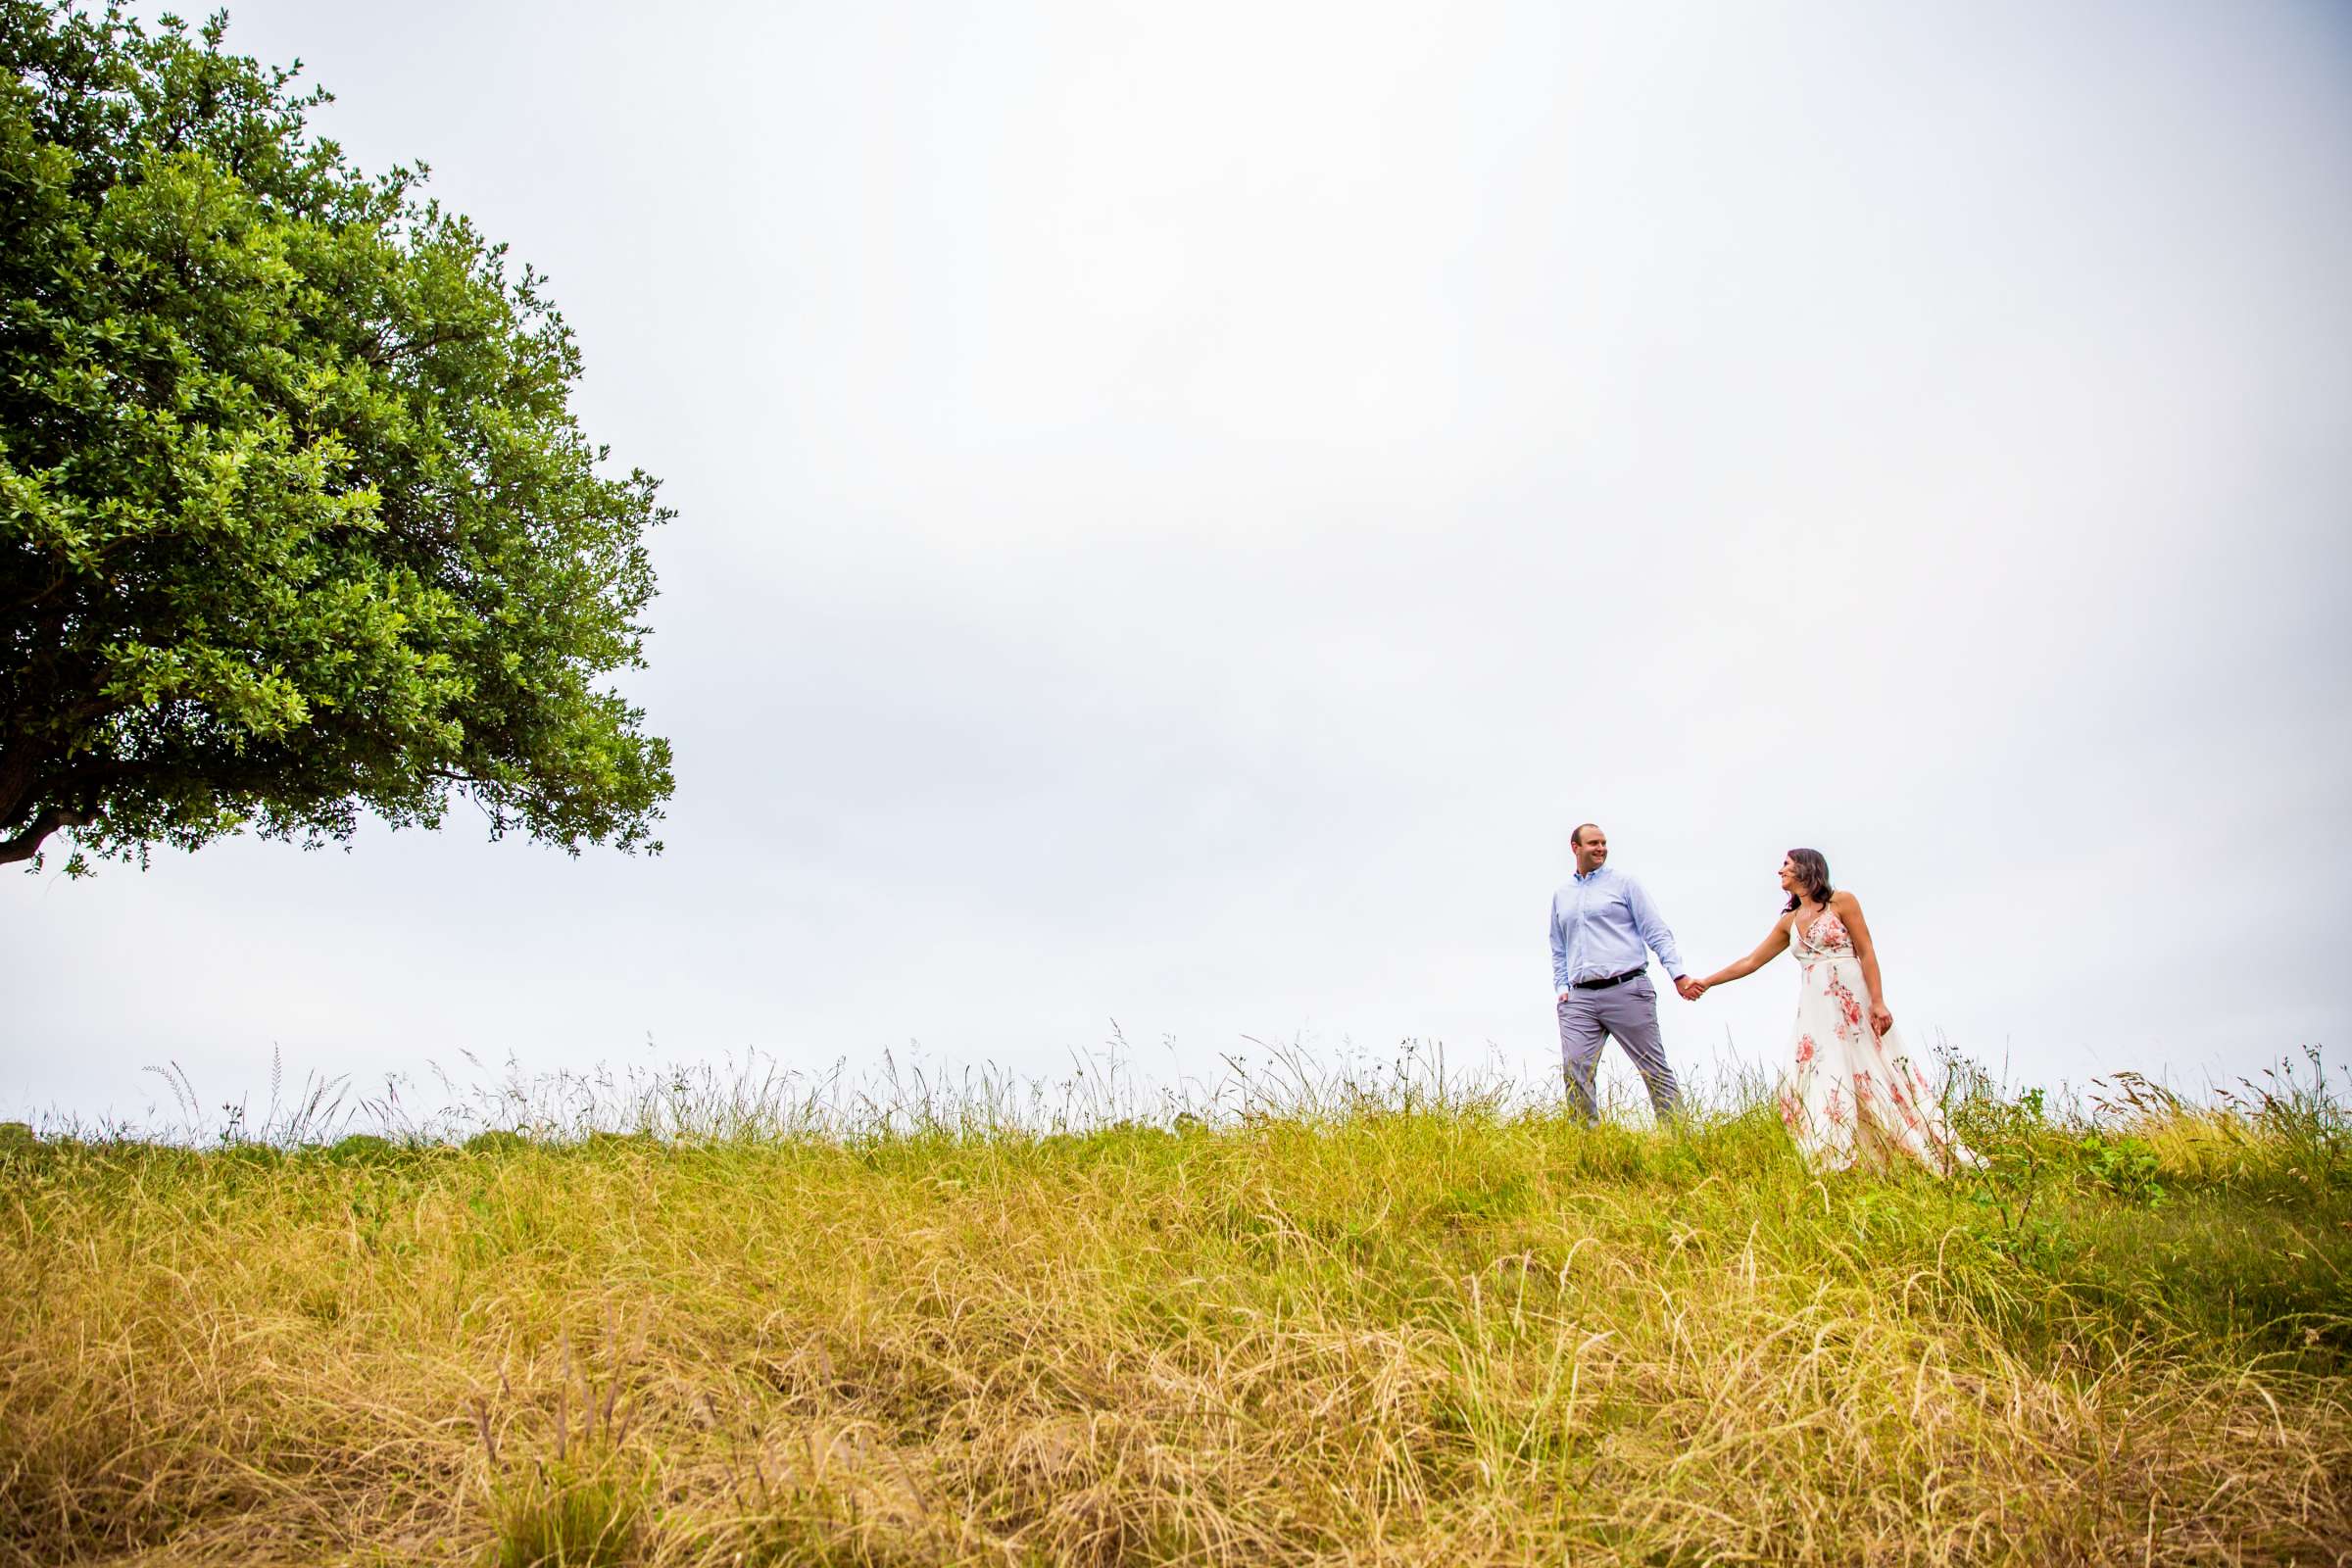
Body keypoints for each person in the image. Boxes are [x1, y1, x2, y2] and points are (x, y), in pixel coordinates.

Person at [1687, 848, 1977, 1173]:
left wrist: (1878, 1001)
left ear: (1806, 868)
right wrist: (1707, 981)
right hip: (1816, 1008)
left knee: (1875, 1069)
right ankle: (1840, 1156)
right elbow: (1751, 962)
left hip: (1852, 998)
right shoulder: (1789, 922)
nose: (1779, 871)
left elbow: (1866, 952)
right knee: (1819, 1075)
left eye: (1785, 864)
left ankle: (1919, 1151)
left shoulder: (1842, 902)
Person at [1549, 823, 1699, 1124]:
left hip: (1627, 988)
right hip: (1579, 997)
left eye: (1604, 843)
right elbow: (1558, 946)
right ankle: (1587, 1144)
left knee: (1652, 1067)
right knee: (1575, 1067)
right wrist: (1562, 988)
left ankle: (1678, 1138)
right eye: (1593, 843)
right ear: (1575, 848)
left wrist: (1678, 974)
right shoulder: (1562, 895)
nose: (1601, 848)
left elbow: (1655, 931)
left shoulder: (1624, 884)